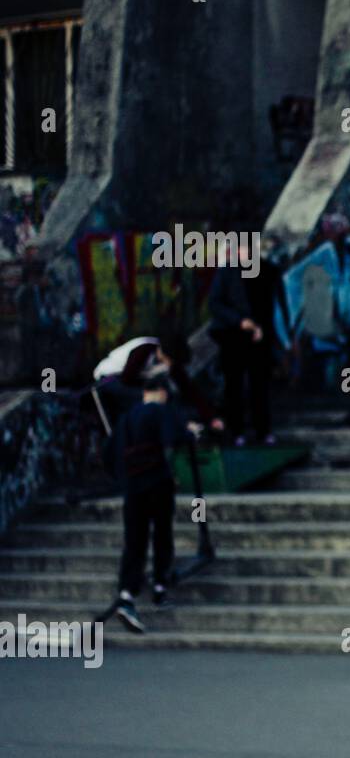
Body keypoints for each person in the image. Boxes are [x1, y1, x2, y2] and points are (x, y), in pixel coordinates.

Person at [106, 374, 194, 633]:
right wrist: (189, 434)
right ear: (161, 392)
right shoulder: (161, 412)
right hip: (158, 483)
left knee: (134, 539)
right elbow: (174, 438)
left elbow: (108, 452)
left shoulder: (126, 418)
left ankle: (126, 593)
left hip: (132, 486)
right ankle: (159, 586)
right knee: (161, 533)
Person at [92, 332, 222, 434]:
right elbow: (126, 381)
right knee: (153, 397)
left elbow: (188, 389)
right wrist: (145, 395)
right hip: (109, 380)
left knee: (166, 396)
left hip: (132, 385)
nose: (169, 365)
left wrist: (210, 418)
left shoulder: (169, 362)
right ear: (163, 353)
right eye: (169, 361)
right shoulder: (143, 351)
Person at [208, 259, 276, 445]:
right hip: (232, 338)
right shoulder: (227, 272)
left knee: (259, 386)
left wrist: (261, 328)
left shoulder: (263, 270)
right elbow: (214, 303)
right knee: (234, 386)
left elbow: (267, 304)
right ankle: (236, 431)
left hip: (257, 338)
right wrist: (239, 321)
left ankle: (262, 431)